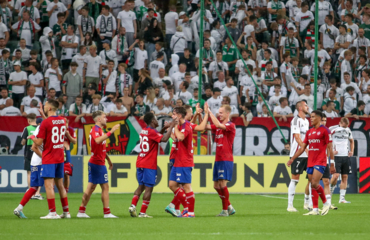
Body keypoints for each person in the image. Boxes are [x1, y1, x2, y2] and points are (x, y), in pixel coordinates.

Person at [129, 112, 176, 218]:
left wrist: (164, 128)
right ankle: (142, 213)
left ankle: (132, 206)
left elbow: (156, 136)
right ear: (152, 121)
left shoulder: (144, 130)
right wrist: (171, 127)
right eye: (155, 119)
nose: (157, 121)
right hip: (149, 164)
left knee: (140, 186)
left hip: (140, 162)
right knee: (149, 188)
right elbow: (163, 139)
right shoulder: (152, 132)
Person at [165, 105, 209, 218]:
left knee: (186, 187)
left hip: (184, 161)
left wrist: (173, 128)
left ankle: (190, 212)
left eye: (174, 114)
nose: (172, 116)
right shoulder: (183, 125)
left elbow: (179, 137)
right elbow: (200, 127)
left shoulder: (184, 126)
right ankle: (184, 208)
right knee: (172, 185)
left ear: (179, 116)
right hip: (178, 160)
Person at [288, 110, 335, 216]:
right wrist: (293, 159)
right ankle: (315, 209)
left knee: (314, 183)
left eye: (313, 117)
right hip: (310, 161)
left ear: (319, 118)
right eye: (311, 117)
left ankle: (326, 202)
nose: (311, 119)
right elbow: (302, 148)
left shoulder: (325, 131)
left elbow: (330, 147)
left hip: (320, 161)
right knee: (312, 185)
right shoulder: (309, 132)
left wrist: (332, 163)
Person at [30, 99, 69, 219]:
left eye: (46, 106)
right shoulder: (62, 120)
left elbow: (39, 141)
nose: (45, 107)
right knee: (60, 186)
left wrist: (32, 137)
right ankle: (66, 212)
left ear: (50, 108)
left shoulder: (45, 123)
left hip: (49, 158)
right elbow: (52, 123)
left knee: (48, 186)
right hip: (59, 157)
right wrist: (43, 114)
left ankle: (52, 213)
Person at [77, 110, 119, 218]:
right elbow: (97, 141)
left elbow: (101, 148)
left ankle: (81, 211)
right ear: (99, 119)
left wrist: (108, 159)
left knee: (91, 188)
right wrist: (112, 131)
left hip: (97, 162)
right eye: (105, 117)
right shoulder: (95, 130)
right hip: (97, 163)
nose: (107, 119)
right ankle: (107, 213)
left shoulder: (99, 130)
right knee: (105, 187)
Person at [204, 104, 236, 216]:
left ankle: (225, 211)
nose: (219, 114)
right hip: (218, 159)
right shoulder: (218, 127)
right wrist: (201, 114)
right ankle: (229, 206)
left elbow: (216, 124)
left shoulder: (230, 125)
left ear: (228, 113)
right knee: (216, 186)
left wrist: (209, 112)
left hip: (226, 159)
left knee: (222, 184)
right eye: (218, 112)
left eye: (221, 112)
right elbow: (206, 127)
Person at [14, 118, 45, 218]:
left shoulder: (40, 129)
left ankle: (19, 208)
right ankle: (53, 212)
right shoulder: (41, 130)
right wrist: (44, 157)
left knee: (34, 187)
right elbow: (34, 147)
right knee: (50, 184)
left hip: (36, 161)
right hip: (39, 161)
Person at [287, 100, 309, 212]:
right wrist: (306, 149)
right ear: (300, 108)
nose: (308, 107)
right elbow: (297, 137)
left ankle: (307, 203)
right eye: (306, 105)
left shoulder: (307, 121)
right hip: (298, 154)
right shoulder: (296, 120)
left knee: (311, 178)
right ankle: (290, 205)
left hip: (307, 154)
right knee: (295, 179)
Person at [329, 117, 354, 204]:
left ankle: (342, 199)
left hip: (346, 156)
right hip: (336, 156)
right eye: (343, 126)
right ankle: (330, 193)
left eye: (346, 126)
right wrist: (331, 151)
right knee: (335, 176)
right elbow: (326, 141)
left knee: (345, 177)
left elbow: (351, 141)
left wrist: (351, 151)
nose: (345, 128)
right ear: (340, 123)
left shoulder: (348, 130)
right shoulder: (332, 129)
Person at [21, 113, 38, 189]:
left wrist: (22, 142)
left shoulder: (27, 128)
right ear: (35, 119)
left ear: (28, 120)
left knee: (29, 172)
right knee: (37, 172)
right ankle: (37, 192)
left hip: (29, 152)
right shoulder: (40, 128)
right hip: (38, 152)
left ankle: (30, 190)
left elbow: (23, 142)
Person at [63, 119, 76, 193]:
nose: (64, 126)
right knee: (56, 174)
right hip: (57, 152)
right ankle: (52, 190)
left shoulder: (70, 130)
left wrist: (68, 135)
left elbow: (74, 141)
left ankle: (66, 191)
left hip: (67, 152)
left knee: (67, 173)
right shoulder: (57, 129)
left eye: (66, 124)